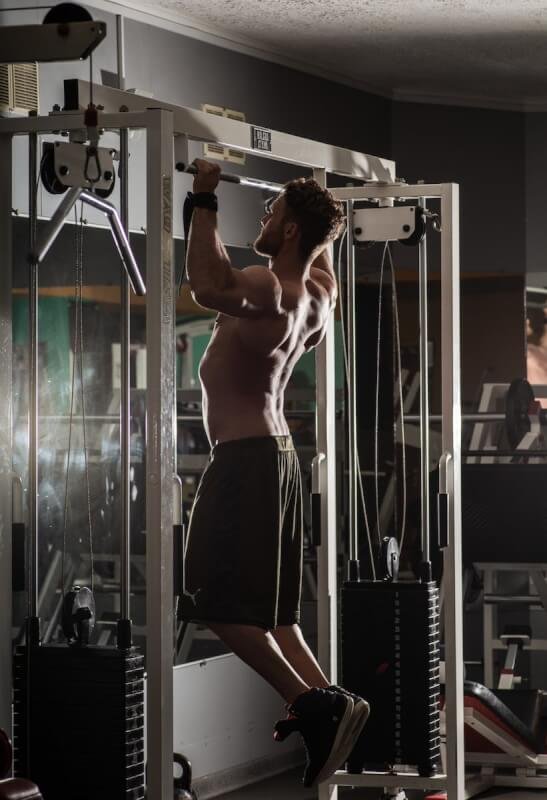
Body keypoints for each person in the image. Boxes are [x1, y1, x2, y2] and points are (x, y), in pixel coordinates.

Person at [180, 159, 369, 787]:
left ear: (290, 233)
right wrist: (313, 199)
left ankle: (309, 704)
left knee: (211, 599)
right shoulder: (318, 295)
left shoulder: (267, 287)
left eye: (272, 213)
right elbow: (320, 254)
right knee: (278, 614)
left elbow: (207, 284)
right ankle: (334, 698)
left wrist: (202, 198)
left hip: (246, 462)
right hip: (280, 460)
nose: (262, 218)